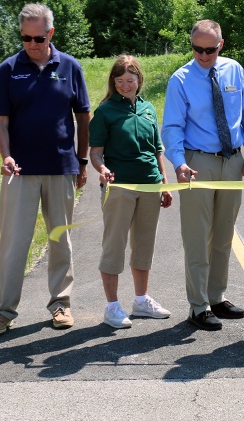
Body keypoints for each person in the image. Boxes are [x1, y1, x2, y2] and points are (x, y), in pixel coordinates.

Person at [0, 3, 91, 335]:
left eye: (39, 38)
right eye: (26, 38)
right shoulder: (7, 70)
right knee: (14, 242)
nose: (32, 44)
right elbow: (0, 121)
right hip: (20, 171)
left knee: (60, 240)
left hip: (61, 167)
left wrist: (83, 160)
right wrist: (5, 155)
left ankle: (60, 305)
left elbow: (83, 117)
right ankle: (3, 312)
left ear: (51, 33)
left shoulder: (70, 66)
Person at [162, 20, 244, 331]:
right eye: (197, 49)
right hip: (198, 163)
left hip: (232, 162)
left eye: (210, 49)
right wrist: (178, 163)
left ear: (221, 44)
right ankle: (198, 305)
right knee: (197, 236)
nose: (203, 55)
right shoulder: (180, 79)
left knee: (223, 234)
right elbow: (172, 127)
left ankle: (217, 296)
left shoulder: (235, 70)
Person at [90, 55, 173, 328]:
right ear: (113, 83)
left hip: (150, 184)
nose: (126, 85)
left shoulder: (148, 108)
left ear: (139, 80)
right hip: (120, 187)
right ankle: (112, 306)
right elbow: (96, 153)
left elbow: (156, 150)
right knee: (114, 245)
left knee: (144, 244)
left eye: (130, 80)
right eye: (120, 81)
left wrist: (164, 181)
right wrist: (102, 170)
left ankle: (141, 300)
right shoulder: (104, 112)